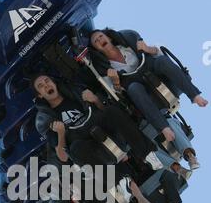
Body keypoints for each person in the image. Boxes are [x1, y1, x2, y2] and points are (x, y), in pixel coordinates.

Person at [89, 28, 207, 162]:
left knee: (162, 61)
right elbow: (115, 94)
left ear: (109, 38)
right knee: (133, 88)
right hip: (138, 89)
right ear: (97, 49)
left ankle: (194, 96)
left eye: (100, 36)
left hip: (153, 74)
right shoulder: (107, 67)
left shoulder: (127, 45)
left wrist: (147, 48)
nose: (99, 40)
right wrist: (116, 81)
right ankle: (164, 128)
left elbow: (158, 52)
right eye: (96, 41)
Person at [32, 74, 162, 171]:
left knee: (111, 111)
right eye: (41, 86)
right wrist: (60, 133)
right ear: (40, 95)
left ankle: (147, 154)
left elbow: (104, 111)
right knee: (76, 149)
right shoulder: (46, 118)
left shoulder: (74, 91)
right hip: (82, 140)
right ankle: (117, 183)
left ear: (54, 82)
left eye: (47, 81)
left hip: (97, 124)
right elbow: (63, 158)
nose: (46, 85)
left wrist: (95, 99)